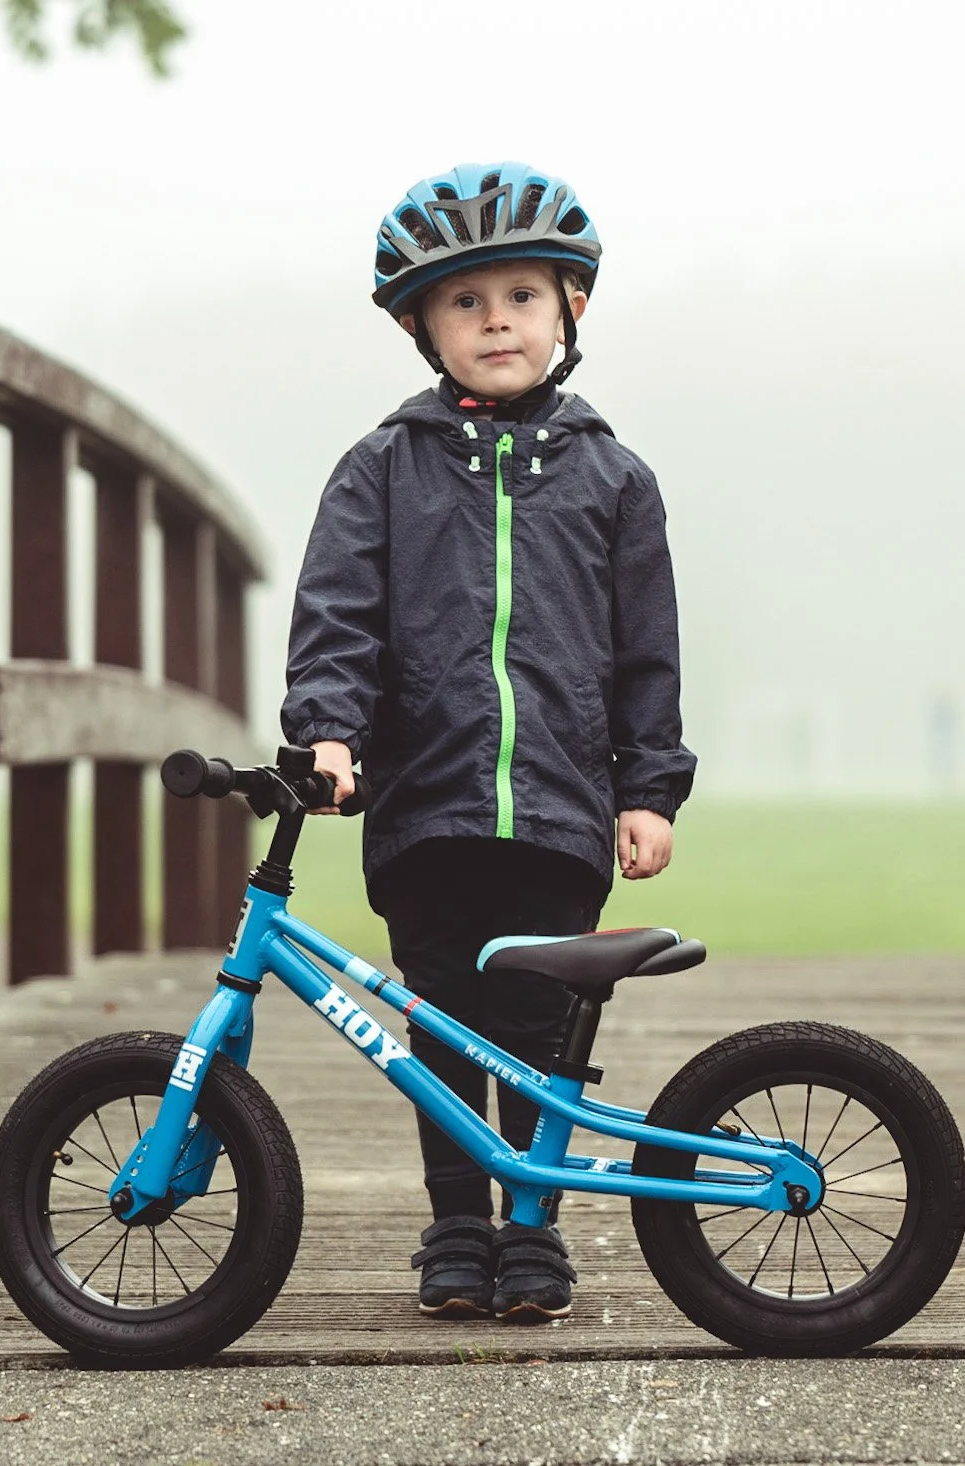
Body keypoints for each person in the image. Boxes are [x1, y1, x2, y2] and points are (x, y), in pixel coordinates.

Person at [281, 161, 696, 1322]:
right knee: (442, 1023)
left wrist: (649, 786)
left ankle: (534, 1226)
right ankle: (459, 1222)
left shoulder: (614, 479)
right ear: (421, 326)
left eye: (520, 293)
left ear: (572, 308)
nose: (495, 319)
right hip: (426, 806)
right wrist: (327, 731)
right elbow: (337, 617)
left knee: (542, 1019)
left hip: (562, 802)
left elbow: (644, 655)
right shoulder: (381, 469)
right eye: (464, 301)